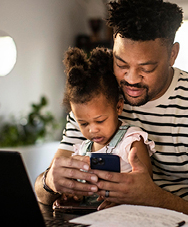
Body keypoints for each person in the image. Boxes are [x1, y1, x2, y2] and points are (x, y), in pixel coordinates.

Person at [35, 0, 188, 218]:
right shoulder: (96, 97)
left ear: (173, 54)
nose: (132, 79)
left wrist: (152, 198)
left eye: (147, 68)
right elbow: (43, 194)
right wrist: (50, 181)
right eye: (121, 64)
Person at [52, 47, 155, 209]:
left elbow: (145, 187)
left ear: (119, 107)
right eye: (83, 124)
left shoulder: (131, 141)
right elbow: (79, 189)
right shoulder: (82, 150)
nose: (92, 130)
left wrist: (123, 199)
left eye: (100, 121)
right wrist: (73, 195)